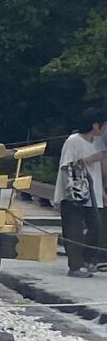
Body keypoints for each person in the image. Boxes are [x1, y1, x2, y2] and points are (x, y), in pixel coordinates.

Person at [58, 110, 107, 275]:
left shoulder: (98, 142)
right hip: (74, 191)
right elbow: (67, 166)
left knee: (97, 226)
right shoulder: (74, 141)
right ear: (95, 125)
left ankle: (89, 259)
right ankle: (75, 266)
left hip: (93, 191)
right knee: (74, 228)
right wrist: (90, 159)